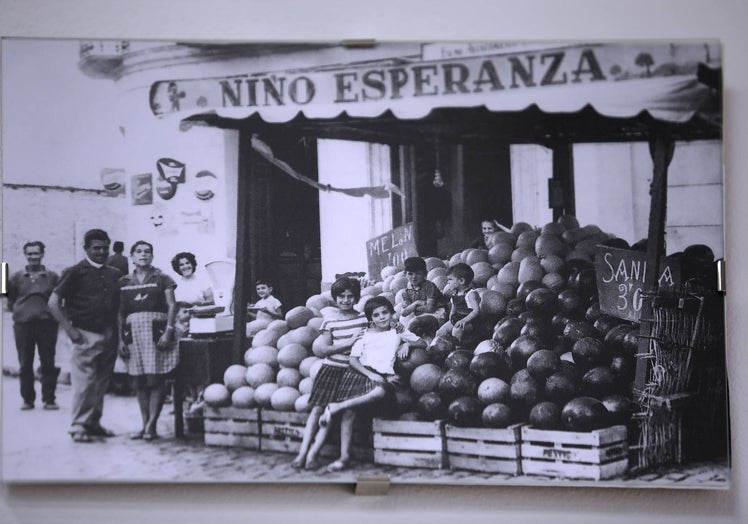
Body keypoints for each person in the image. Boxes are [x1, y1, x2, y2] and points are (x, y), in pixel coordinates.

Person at [48, 229, 121, 443]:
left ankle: (93, 423)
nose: (101, 252)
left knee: (101, 382)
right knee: (84, 383)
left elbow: (118, 308)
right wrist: (72, 332)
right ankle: (78, 426)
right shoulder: (74, 272)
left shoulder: (114, 273)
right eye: (96, 248)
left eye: (105, 248)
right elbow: (53, 303)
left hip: (109, 334)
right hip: (85, 334)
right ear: (86, 249)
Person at [318, 296, 426, 435]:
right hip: (362, 372)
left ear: (392, 313)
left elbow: (423, 343)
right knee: (352, 412)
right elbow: (355, 360)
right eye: (376, 315)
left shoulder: (397, 329)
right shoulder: (365, 334)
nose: (381, 318)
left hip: (381, 376)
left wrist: (407, 344)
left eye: (385, 313)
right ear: (370, 319)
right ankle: (343, 451)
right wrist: (375, 375)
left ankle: (336, 408)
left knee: (380, 396)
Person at [291, 277, 368, 472]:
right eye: (341, 296)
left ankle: (345, 456)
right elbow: (324, 349)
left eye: (350, 296)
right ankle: (303, 454)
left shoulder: (363, 319)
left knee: (348, 414)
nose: (345, 300)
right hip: (331, 370)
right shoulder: (329, 320)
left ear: (357, 298)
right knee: (318, 410)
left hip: (353, 372)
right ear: (334, 298)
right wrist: (348, 343)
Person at [118, 241, 178, 441]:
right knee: (139, 381)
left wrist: (168, 331)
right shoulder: (124, 281)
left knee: (155, 379)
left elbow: (172, 305)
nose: (143, 255)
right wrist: (120, 340)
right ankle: (144, 425)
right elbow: (120, 313)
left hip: (156, 332)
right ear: (132, 256)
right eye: (139, 251)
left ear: (152, 255)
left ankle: (152, 425)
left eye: (147, 251)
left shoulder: (162, 278)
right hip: (132, 334)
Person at [7, 241, 60, 410]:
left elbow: (58, 299)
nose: (33, 257)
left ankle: (49, 399)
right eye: (29, 254)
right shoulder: (15, 277)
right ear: (25, 255)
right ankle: (28, 399)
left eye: (36, 253)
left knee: (48, 363)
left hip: (47, 324)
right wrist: (23, 311)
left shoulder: (52, 276)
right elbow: (9, 300)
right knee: (25, 363)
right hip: (23, 325)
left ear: (42, 254)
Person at [435, 262, 481, 342]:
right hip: (457, 319)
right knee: (440, 332)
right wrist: (451, 315)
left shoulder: (470, 294)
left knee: (456, 331)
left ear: (461, 281)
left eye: (450, 279)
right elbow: (454, 307)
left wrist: (464, 320)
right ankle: (438, 346)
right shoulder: (455, 293)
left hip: (470, 322)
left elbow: (476, 311)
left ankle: (456, 350)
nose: (448, 282)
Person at [396, 256, 447, 328]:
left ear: (424, 274)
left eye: (418, 273)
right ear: (405, 274)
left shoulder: (429, 286)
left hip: (436, 314)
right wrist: (417, 303)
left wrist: (411, 307)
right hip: (419, 314)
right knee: (404, 321)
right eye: (410, 274)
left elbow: (430, 309)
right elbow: (404, 313)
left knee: (415, 323)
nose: (414, 277)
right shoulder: (406, 292)